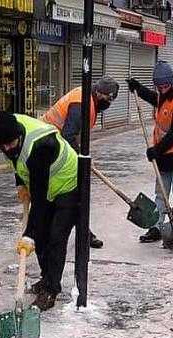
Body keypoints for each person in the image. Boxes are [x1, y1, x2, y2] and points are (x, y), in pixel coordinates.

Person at [0, 111, 79, 311]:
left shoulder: (40, 146)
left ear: (19, 135)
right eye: (3, 146)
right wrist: (21, 183)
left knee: (55, 237)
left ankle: (51, 289)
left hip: (69, 184)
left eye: (11, 144)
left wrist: (29, 234)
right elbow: (17, 160)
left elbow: (39, 200)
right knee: (41, 235)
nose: (8, 149)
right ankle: (46, 278)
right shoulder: (9, 129)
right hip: (46, 185)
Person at [41, 76, 119, 250]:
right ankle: (52, 233)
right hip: (48, 146)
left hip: (56, 145)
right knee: (69, 193)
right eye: (108, 99)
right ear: (99, 93)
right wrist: (82, 159)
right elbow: (68, 135)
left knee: (72, 194)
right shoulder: (81, 103)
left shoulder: (89, 100)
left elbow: (76, 135)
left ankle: (83, 233)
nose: (108, 104)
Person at [127, 61, 173, 248]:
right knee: (160, 193)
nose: (162, 90)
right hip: (164, 154)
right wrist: (139, 89)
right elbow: (157, 100)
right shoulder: (164, 92)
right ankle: (157, 227)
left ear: (172, 81)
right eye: (159, 87)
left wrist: (156, 150)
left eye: (165, 86)